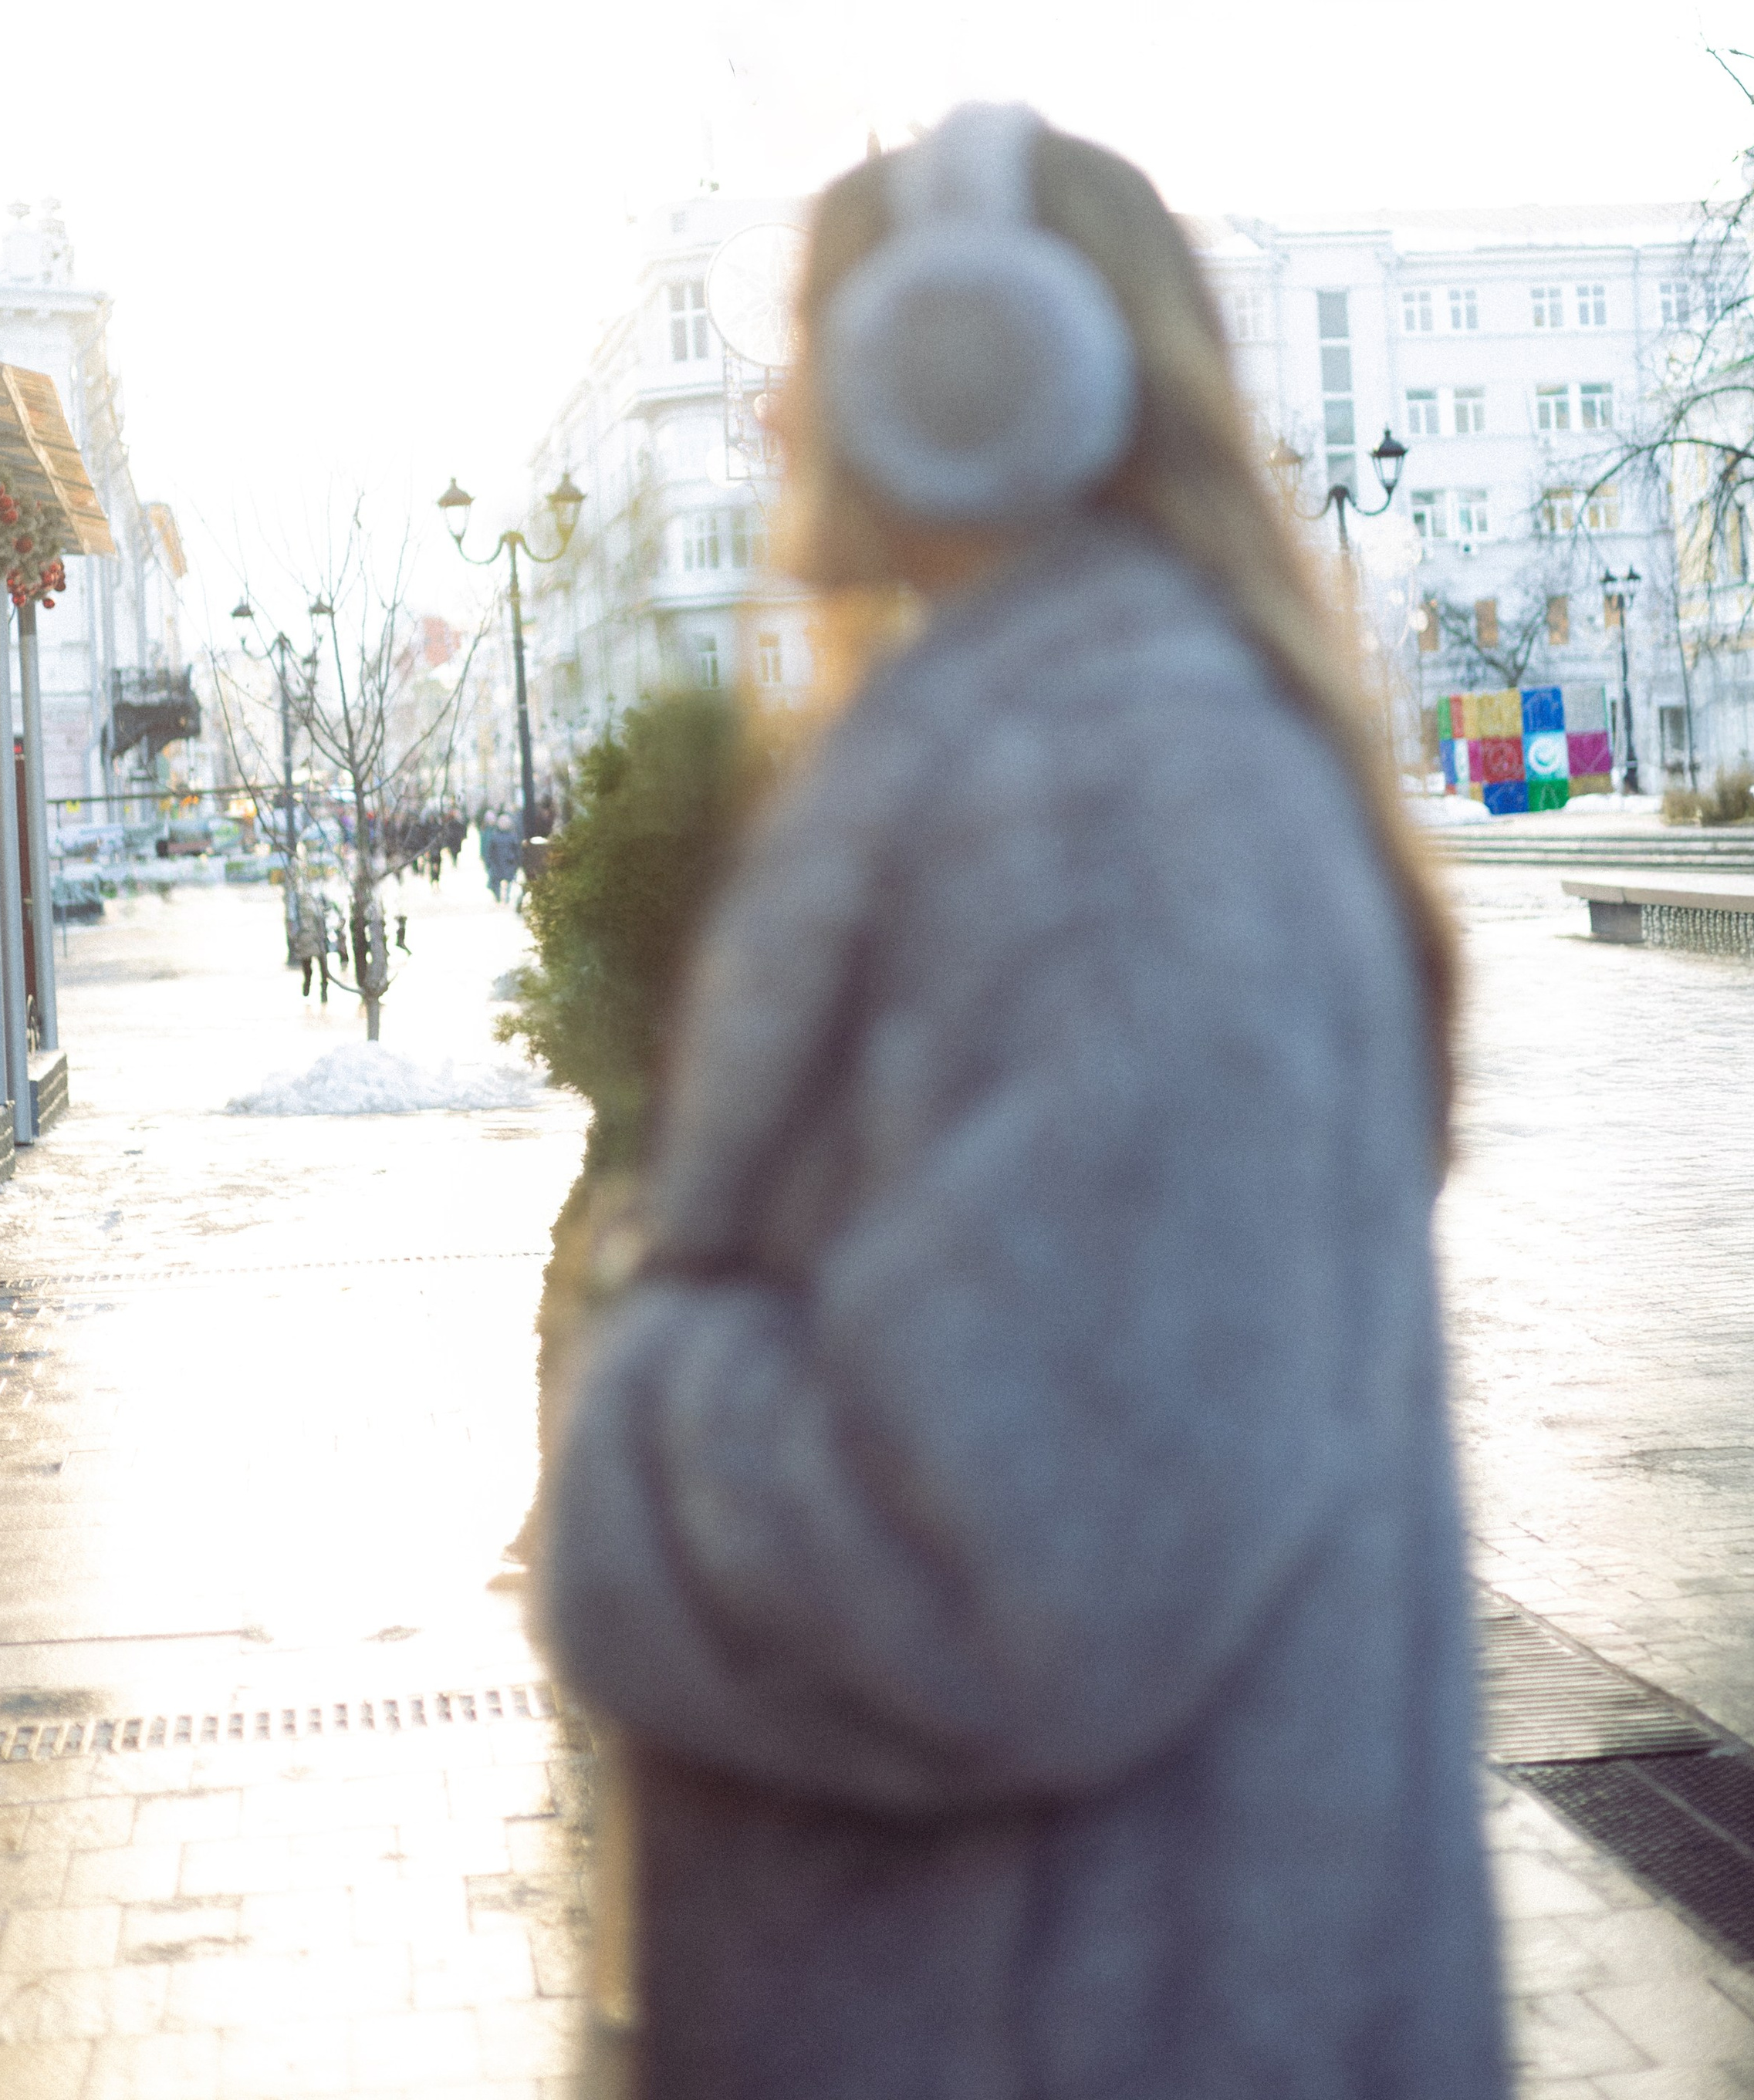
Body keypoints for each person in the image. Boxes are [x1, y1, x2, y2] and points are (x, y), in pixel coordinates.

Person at [542, 106, 1506, 2099]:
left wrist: (638, 1401)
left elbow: (1005, 1568)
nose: (769, 402)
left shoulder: (1116, 813)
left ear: (966, 362)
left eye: (806, 338)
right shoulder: (1088, 761)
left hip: (1073, 2021)